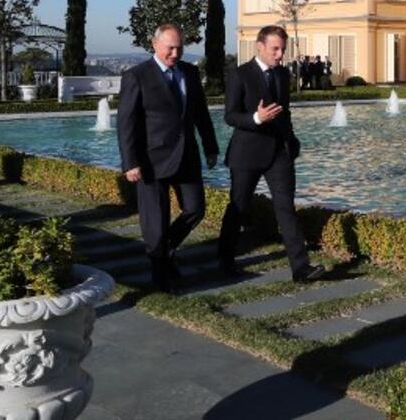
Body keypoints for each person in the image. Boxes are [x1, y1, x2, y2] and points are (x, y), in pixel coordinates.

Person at [219, 25, 326, 282]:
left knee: (286, 209)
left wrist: (291, 140)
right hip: (247, 153)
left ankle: (301, 268)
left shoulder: (281, 75)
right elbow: (230, 115)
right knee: (238, 208)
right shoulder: (239, 74)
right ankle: (225, 261)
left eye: (283, 49)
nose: (280, 55)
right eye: (275, 49)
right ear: (260, 46)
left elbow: (284, 112)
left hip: (279, 153)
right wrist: (257, 117)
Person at [117, 23, 219, 293]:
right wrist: (130, 163)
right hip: (152, 160)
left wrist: (210, 146)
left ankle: (165, 249)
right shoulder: (137, 76)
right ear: (155, 45)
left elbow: (200, 113)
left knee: (196, 209)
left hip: (187, 157)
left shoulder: (190, 72)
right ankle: (161, 273)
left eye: (180, 47)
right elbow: (126, 123)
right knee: (155, 223)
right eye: (170, 48)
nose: (175, 53)